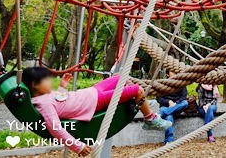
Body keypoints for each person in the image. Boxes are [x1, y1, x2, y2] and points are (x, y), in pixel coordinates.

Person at [22, 66, 171, 156]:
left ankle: (138, 103)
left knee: (121, 79)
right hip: (95, 101)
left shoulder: (46, 96)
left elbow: (61, 100)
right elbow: (55, 128)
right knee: (138, 90)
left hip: (92, 92)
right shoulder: (44, 105)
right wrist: (77, 146)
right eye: (46, 80)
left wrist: (62, 87)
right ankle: (150, 118)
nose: (50, 82)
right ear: (35, 85)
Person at [156, 70, 188, 144]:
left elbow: (184, 96)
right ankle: (169, 140)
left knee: (185, 103)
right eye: (172, 72)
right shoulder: (163, 84)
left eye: (175, 72)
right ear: (167, 74)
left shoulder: (181, 84)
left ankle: (163, 113)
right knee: (169, 117)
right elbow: (159, 99)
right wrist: (168, 102)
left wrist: (175, 103)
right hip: (165, 106)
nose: (174, 73)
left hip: (176, 106)